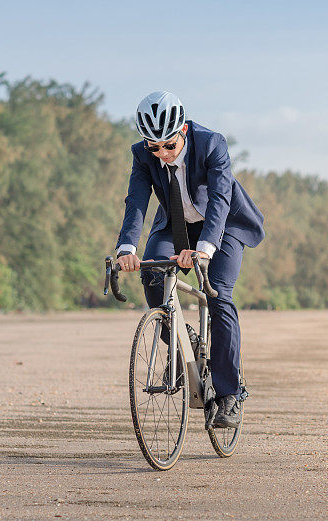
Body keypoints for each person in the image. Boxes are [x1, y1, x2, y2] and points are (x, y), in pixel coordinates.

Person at [115, 91, 264, 428]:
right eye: (154, 147)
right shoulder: (143, 155)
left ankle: (229, 394)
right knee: (152, 273)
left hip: (223, 227)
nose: (162, 154)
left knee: (218, 294)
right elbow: (136, 201)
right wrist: (127, 247)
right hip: (175, 225)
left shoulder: (212, 144)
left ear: (182, 130)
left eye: (168, 145)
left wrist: (206, 248)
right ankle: (183, 341)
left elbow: (220, 200)